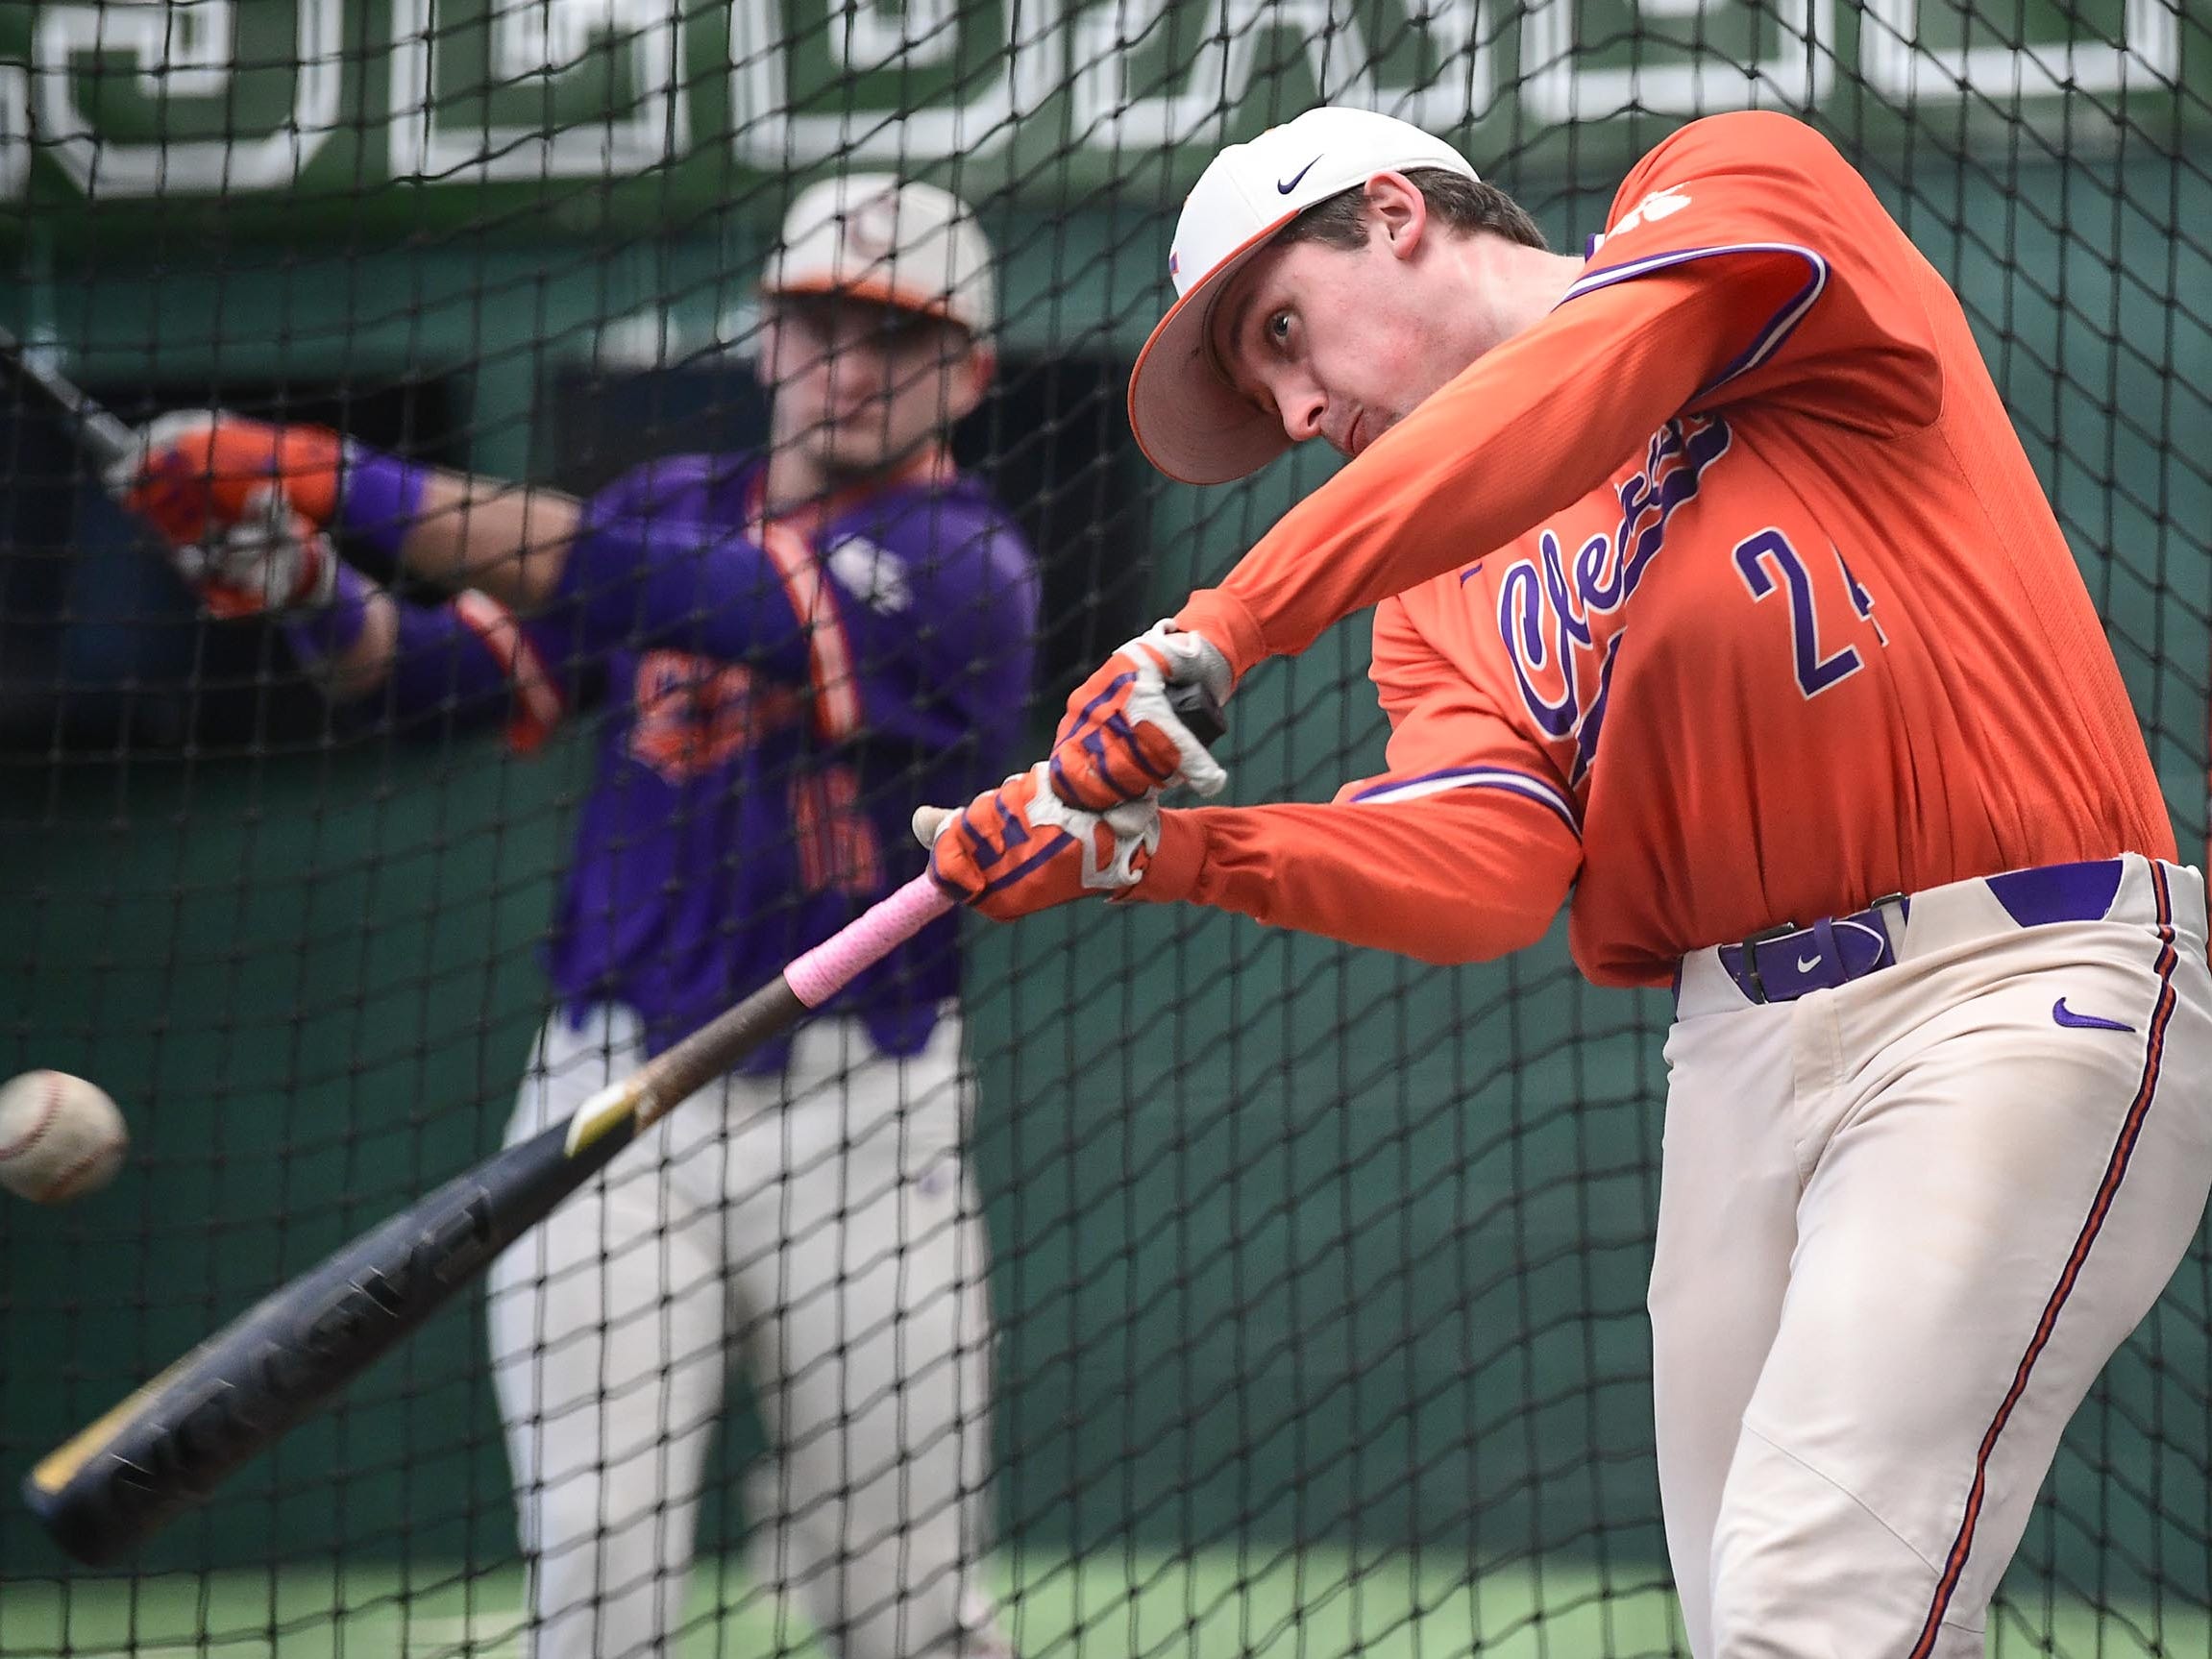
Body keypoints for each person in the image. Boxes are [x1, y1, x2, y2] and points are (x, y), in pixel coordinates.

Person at [916, 105, 2212, 1655]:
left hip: (2007, 986)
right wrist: (1158, 850)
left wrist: (1221, 627)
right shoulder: (1433, 591)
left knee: (1814, 1603)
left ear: (1394, 212)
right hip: (1733, 1057)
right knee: (1777, 1615)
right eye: (1263, 390)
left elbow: (1584, 382)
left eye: (1283, 332)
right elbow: (1483, 868)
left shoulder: (1735, 187)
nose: (1297, 404)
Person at [115, 176, 1036, 1659]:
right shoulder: (669, 497)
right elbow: (420, 679)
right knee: (598, 1589)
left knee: (903, 1609)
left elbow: (664, 589)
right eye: (820, 326)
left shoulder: (965, 565)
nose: (851, 366)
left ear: (969, 371)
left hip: (864, 1142)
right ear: (765, 334)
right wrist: (294, 578)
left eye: (898, 336)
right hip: (610, 1122)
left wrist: (329, 478)